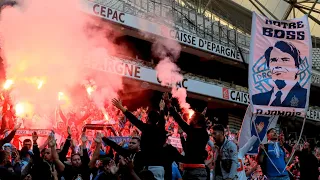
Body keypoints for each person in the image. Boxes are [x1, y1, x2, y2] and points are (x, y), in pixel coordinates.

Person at [112, 98, 167, 180]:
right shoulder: (161, 130)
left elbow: (134, 120)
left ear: (147, 119)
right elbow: (162, 122)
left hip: (150, 167)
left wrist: (122, 108)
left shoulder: (146, 128)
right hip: (160, 168)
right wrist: (162, 109)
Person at [252, 41, 307, 108]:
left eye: (285, 60)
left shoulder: (306, 96)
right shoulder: (256, 99)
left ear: (296, 67)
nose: (278, 65)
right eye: (274, 60)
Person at [167, 100, 208, 180]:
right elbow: (187, 149)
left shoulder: (192, 132)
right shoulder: (204, 134)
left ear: (195, 121)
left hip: (193, 172)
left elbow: (179, 119)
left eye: (191, 118)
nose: (189, 119)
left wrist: (168, 105)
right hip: (198, 170)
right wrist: (182, 136)